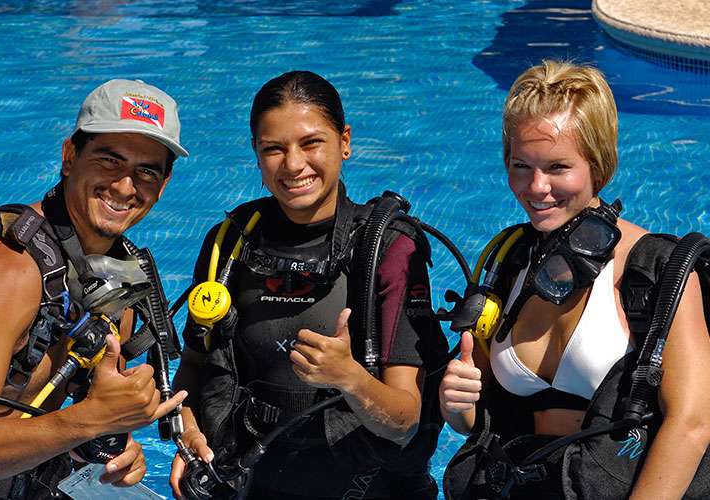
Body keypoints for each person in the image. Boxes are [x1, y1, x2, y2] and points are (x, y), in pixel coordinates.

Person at [169, 70, 449, 499]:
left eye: (311, 142)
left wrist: (349, 377)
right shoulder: (230, 243)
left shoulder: (387, 249)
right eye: (273, 149)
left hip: (368, 488)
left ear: (345, 141)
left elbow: (405, 418)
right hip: (253, 483)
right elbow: (192, 374)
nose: (294, 164)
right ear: (256, 155)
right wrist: (186, 434)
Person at [439, 60, 710, 499]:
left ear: (598, 165)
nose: (536, 187)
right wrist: (458, 406)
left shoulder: (658, 270)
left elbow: (692, 424)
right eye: (520, 165)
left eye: (558, 167)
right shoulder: (508, 262)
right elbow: (485, 418)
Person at [0, 79, 187, 499]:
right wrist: (91, 421)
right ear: (69, 156)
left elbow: (51, 416)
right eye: (109, 161)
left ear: (163, 185)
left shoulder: (118, 275)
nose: (125, 186)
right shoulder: (3, 270)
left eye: (146, 171)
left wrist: (107, 446)